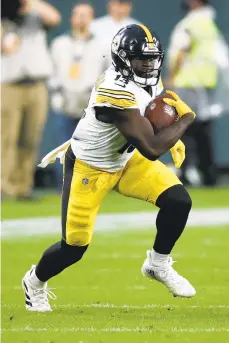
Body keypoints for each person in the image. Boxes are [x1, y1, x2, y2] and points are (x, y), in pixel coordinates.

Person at [22, 24, 196, 312]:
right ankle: (34, 281)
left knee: (178, 201)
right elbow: (151, 149)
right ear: (122, 58)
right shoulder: (114, 91)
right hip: (90, 167)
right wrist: (184, 120)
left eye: (153, 58)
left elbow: (149, 125)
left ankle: (158, 263)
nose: (149, 64)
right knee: (74, 247)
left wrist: (166, 128)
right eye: (142, 59)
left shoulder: (146, 77)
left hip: (125, 159)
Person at [1, 0, 61, 200]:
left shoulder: (36, 16)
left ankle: (23, 187)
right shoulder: (3, 20)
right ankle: (4, 186)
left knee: (30, 138)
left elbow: (54, 17)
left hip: (36, 85)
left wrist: (28, 3)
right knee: (6, 139)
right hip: (10, 85)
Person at [50, 1, 108, 192]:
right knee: (65, 147)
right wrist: (56, 94)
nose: (82, 18)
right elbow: (53, 72)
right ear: (72, 18)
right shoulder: (59, 44)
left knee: (90, 147)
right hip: (66, 100)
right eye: (78, 14)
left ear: (92, 18)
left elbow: (106, 74)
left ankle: (89, 186)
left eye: (86, 14)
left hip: (89, 103)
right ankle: (65, 186)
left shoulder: (101, 46)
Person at [166, 0, 221, 186]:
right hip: (204, 84)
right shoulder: (208, 23)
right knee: (202, 130)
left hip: (188, 83)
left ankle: (186, 172)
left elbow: (181, 50)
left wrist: (171, 77)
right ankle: (208, 173)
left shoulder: (190, 24)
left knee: (185, 130)